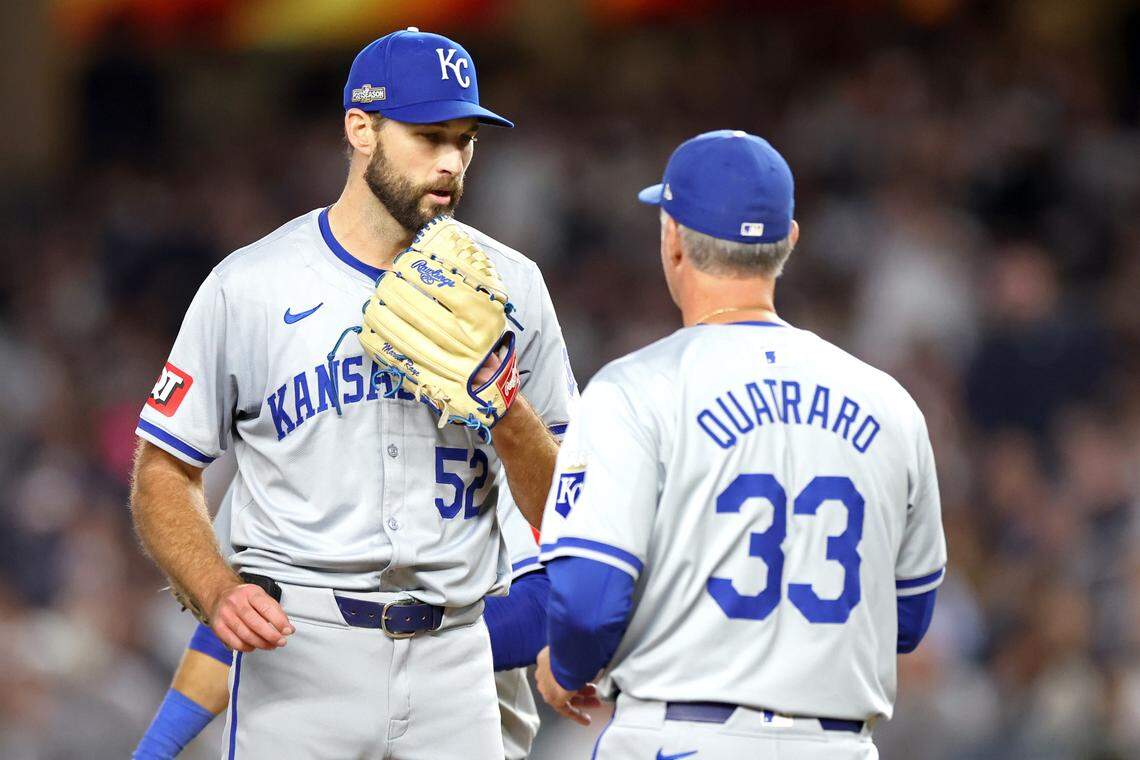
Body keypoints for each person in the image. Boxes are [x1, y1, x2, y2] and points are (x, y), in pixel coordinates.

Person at [129, 27, 575, 759]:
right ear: (360, 130)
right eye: (428, 136)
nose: (451, 162)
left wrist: (505, 406)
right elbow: (163, 470)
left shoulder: (514, 287)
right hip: (301, 651)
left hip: (457, 653)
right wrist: (214, 587)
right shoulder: (253, 285)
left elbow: (568, 510)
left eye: (464, 140)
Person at [533, 130, 946, 759]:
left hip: (682, 736)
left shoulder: (633, 390)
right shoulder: (890, 403)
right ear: (789, 241)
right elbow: (908, 620)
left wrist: (565, 667)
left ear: (673, 238)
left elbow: (589, 604)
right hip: (835, 745)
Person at [133, 477, 550, 760]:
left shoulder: (481, 420)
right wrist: (154, 751)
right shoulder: (281, 429)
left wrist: (366, 642)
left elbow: (542, 606)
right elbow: (242, 617)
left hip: (456, 731)